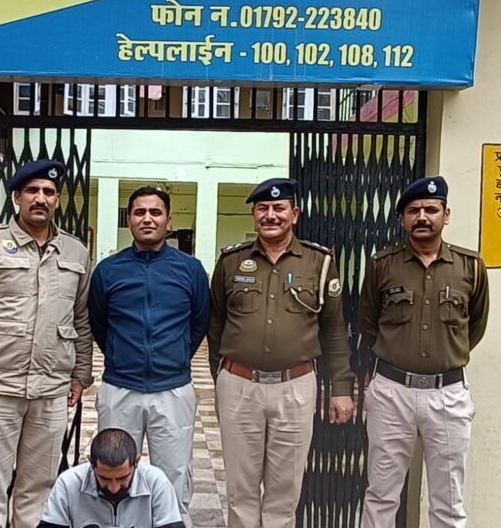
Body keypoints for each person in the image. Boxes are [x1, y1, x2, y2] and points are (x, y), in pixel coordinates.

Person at [0, 160, 93, 528]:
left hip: (51, 389)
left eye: (49, 192)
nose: (40, 198)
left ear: (57, 200)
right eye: (32, 191)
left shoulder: (75, 252)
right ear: (16, 197)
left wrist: (81, 374)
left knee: (39, 487)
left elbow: (81, 318)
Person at [208, 177, 355, 528]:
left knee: (284, 494)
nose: (270, 215)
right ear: (253, 215)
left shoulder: (319, 263)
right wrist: (223, 377)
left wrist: (341, 388)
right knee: (240, 493)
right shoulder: (231, 261)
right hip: (239, 386)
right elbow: (215, 325)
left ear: (295, 214)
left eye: (279, 208)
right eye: (262, 208)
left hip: (295, 388)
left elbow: (334, 330)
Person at [359, 176, 489, 528]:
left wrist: (444, 354)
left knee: (449, 500)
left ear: (446, 215)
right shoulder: (382, 265)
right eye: (413, 210)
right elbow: (368, 323)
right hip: (392, 392)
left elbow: (474, 326)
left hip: (447, 394)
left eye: (431, 209)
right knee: (381, 494)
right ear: (402, 218)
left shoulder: (470, 266)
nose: (422, 217)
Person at [88, 186, 209, 528]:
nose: (147, 219)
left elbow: (199, 323)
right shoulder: (108, 270)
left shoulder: (191, 270)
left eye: (156, 212)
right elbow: (99, 323)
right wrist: (122, 356)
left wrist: (174, 358)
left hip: (173, 390)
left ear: (169, 220)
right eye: (139, 212)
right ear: (129, 219)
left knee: (173, 475)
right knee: (114, 473)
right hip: (120, 389)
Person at [37, 428, 185, 528]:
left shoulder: (156, 481)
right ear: (91, 463)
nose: (114, 488)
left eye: (123, 478)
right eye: (104, 478)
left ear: (136, 462)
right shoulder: (68, 482)